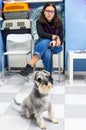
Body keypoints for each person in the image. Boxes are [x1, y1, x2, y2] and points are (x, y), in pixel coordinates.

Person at [20, 2, 63, 83]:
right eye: (47, 11)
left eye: (52, 11)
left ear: (55, 12)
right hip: (42, 45)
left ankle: (30, 65)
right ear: (44, 11)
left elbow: (61, 37)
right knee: (47, 51)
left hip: (56, 46)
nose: (50, 13)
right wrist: (54, 37)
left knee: (47, 40)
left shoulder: (59, 22)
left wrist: (55, 40)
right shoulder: (39, 22)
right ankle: (49, 77)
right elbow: (41, 34)